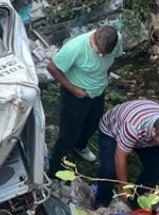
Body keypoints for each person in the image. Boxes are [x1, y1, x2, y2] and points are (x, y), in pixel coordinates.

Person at [46, 26, 122, 179]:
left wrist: (104, 76)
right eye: (98, 51)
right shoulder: (74, 48)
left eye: (105, 54)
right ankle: (54, 172)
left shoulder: (116, 38)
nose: (101, 56)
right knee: (68, 135)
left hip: (98, 92)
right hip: (75, 95)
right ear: (93, 39)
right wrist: (74, 90)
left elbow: (116, 58)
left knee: (92, 124)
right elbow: (52, 68)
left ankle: (80, 147)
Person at [94, 99, 159, 207]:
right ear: (154, 132)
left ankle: (136, 201)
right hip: (112, 130)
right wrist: (123, 187)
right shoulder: (133, 127)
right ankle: (102, 201)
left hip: (145, 139)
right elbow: (120, 157)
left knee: (157, 167)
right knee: (109, 170)